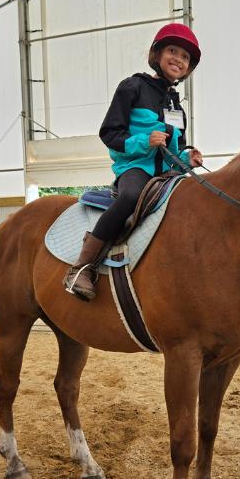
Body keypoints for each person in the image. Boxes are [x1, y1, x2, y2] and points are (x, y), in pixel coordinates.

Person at [63, 23, 204, 300]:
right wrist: (144, 142)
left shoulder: (178, 107)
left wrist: (189, 157)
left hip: (167, 175)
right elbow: (109, 133)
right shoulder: (133, 86)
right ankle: (81, 268)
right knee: (130, 196)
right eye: (173, 51)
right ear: (157, 54)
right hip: (135, 167)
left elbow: (176, 150)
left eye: (185, 57)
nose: (179, 59)